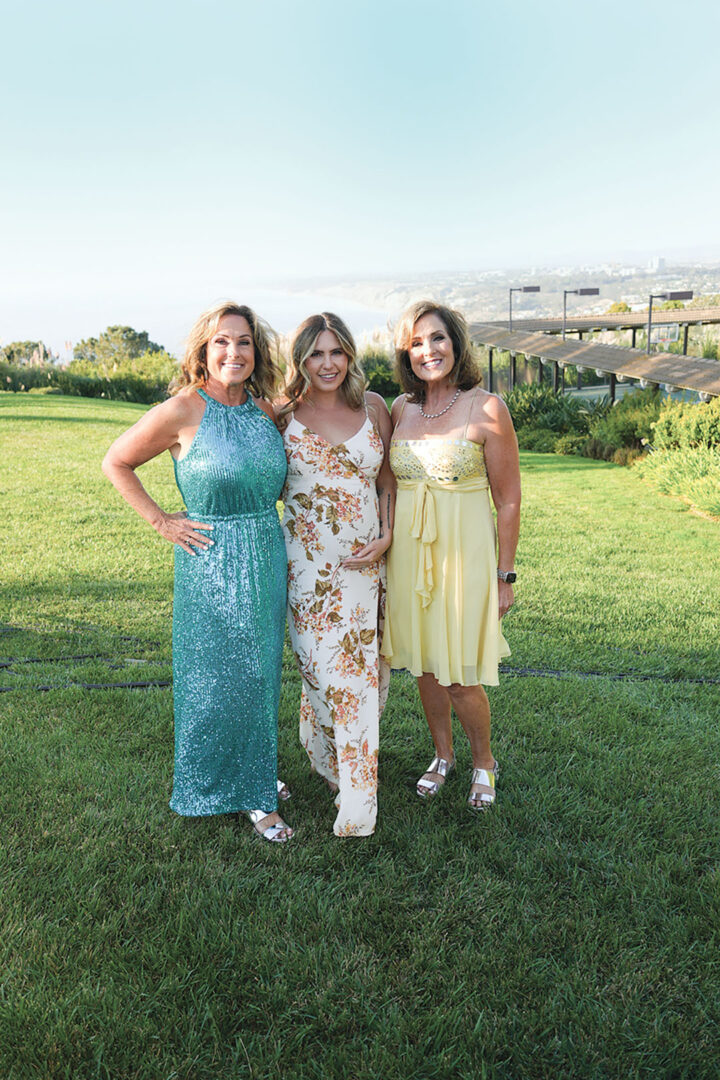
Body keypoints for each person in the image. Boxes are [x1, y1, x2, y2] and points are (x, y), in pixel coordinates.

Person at [102, 301, 293, 842]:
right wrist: (162, 521)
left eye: (244, 342)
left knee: (258, 676)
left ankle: (252, 770)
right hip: (208, 560)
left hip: (264, 551)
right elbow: (116, 461)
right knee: (214, 682)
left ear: (257, 352)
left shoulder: (262, 409)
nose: (233, 352)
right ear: (203, 352)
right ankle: (250, 796)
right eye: (221, 342)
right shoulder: (184, 408)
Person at [381, 300, 520, 810]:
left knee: (460, 674)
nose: (428, 350)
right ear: (406, 354)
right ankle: (443, 755)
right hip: (409, 557)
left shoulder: (486, 408)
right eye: (416, 343)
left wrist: (505, 575)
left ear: (456, 344)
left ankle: (484, 759)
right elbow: (387, 485)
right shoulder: (401, 408)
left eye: (436, 338)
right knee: (424, 666)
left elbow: (507, 500)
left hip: (465, 557)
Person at [276, 312, 395, 836]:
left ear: (349, 355)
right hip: (307, 571)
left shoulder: (373, 408)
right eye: (315, 354)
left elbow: (387, 482)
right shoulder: (280, 415)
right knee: (322, 676)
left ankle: (355, 797)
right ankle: (329, 760)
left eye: (336, 352)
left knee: (364, 681)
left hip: (367, 570)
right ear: (300, 359)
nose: (327, 363)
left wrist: (386, 536)